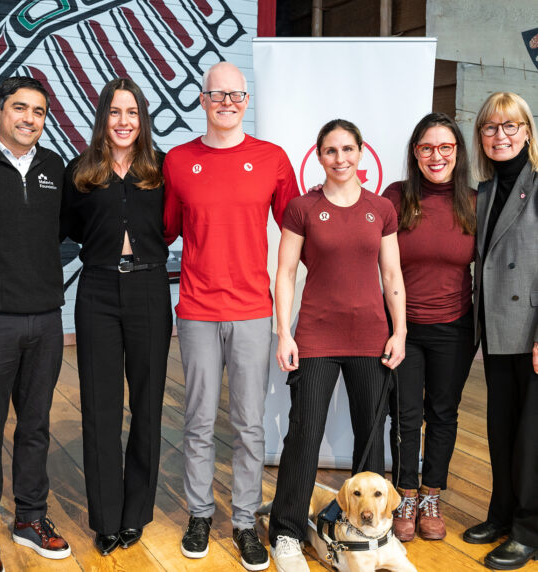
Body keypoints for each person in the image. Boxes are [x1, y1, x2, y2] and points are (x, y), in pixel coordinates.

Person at [163, 61, 299, 571]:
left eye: (235, 95)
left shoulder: (272, 160)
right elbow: (165, 231)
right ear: (201, 100)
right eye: (216, 95)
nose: (226, 102)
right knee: (197, 422)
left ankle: (244, 521)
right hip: (196, 310)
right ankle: (200, 514)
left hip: (251, 311)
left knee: (247, 425)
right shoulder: (178, 161)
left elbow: (298, 229)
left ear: (246, 101)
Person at [267, 119, 406, 572]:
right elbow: (285, 272)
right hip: (316, 336)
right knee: (304, 433)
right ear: (319, 155)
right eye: (331, 151)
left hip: (370, 337)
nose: (340, 158)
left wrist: (399, 330)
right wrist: (283, 332)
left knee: (372, 439)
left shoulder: (382, 208)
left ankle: (374, 531)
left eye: (348, 149)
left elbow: (391, 276)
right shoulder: (302, 208)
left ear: (361, 153)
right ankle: (286, 532)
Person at [61, 78, 172, 556]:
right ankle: (106, 518)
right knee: (100, 407)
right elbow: (60, 231)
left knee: (147, 406)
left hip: (150, 288)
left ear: (142, 118)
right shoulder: (79, 171)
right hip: (99, 291)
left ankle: (135, 515)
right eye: (114, 112)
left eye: (132, 112)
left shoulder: (166, 168)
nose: (124, 121)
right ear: (102, 117)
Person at [0, 76, 70, 572]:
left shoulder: (54, 168)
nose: (30, 118)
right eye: (19, 108)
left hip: (47, 319)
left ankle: (30, 517)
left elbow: (71, 232)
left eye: (39, 111)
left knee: (35, 427)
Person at [381, 112, 477, 542]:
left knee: (443, 414)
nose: (436, 156)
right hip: (403, 327)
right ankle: (404, 494)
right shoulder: (397, 196)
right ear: (415, 153)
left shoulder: (475, 202)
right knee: (405, 415)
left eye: (445, 148)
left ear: (457, 152)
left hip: (455, 327)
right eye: (426, 148)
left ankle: (430, 494)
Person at [462, 92, 538, 571]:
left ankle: (529, 528)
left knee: (532, 436)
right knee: (500, 427)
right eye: (491, 127)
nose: (500, 136)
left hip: (531, 330)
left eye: (510, 126)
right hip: (495, 329)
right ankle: (503, 513)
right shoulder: (483, 193)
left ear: (527, 133)